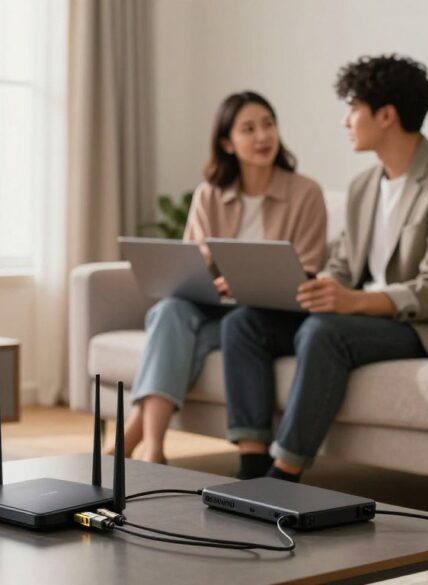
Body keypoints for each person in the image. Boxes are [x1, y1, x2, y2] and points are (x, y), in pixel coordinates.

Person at [222, 54, 428, 483]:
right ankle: (251, 469)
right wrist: (315, 289)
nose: (345, 121)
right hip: (361, 313)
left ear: (386, 116)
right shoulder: (365, 186)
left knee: (323, 332)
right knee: (244, 323)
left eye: (353, 109)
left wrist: (352, 301)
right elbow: (342, 265)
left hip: (426, 326)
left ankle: (283, 477)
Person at [111, 91, 328, 464]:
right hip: (216, 308)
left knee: (183, 336)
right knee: (169, 311)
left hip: (268, 317)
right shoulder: (209, 194)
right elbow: (192, 262)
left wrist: (247, 282)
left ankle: (133, 436)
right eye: (249, 129)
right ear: (227, 143)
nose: (263, 136)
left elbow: (307, 269)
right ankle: (154, 449)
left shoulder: (305, 192)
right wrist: (211, 275)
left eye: (268, 125)